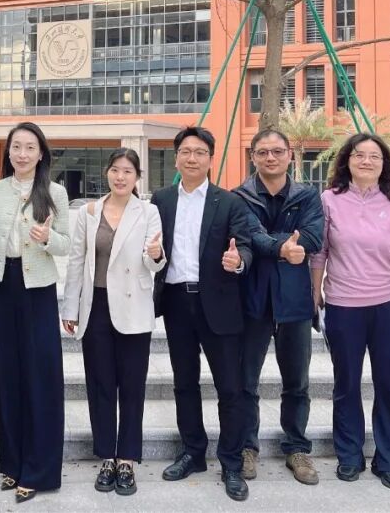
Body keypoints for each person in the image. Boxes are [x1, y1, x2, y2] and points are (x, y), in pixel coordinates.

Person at [310, 133, 390, 490]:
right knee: (346, 383)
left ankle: (389, 460)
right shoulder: (329, 199)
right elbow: (320, 251)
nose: (367, 161)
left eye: (375, 156)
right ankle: (349, 456)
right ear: (347, 160)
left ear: (384, 164)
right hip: (343, 303)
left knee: (388, 383)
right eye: (359, 155)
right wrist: (315, 292)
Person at [151, 126, 254, 502]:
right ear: (176, 157)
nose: (191, 158)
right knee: (184, 383)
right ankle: (193, 453)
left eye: (199, 152)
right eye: (185, 152)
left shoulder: (229, 202)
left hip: (219, 304)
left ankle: (231, 463)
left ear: (211, 159)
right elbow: (151, 246)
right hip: (177, 302)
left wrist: (238, 260)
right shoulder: (160, 200)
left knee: (230, 388)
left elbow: (245, 245)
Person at [0, 122, 70, 503]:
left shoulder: (55, 192)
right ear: (9, 151)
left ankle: (39, 470)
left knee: (40, 379)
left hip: (38, 291)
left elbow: (67, 245)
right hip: (1, 288)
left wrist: (48, 239)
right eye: (17, 147)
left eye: (30, 147)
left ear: (41, 153)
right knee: (7, 378)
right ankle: (12, 465)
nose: (23, 153)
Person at [61, 148, 165, 496]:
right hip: (96, 307)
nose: (121, 177)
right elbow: (77, 261)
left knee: (132, 387)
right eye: (116, 170)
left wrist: (156, 255)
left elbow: (155, 262)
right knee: (100, 384)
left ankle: (127, 460)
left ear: (137, 177)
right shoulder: (88, 212)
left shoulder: (148, 212)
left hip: (134, 308)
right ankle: (107, 456)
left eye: (128, 171)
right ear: (107, 172)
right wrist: (70, 308)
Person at [232, 129, 323, 486]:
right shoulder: (239, 197)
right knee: (245, 382)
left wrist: (277, 245)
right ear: (253, 157)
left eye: (277, 151)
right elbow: (248, 236)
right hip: (251, 299)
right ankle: (245, 447)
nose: (270, 157)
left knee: (297, 382)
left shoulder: (308, 196)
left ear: (289, 156)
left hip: (295, 300)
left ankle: (296, 448)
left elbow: (313, 236)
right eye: (263, 152)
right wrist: (284, 247)